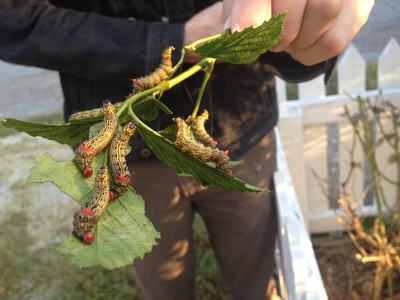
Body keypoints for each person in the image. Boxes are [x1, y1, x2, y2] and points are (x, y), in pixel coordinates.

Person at [0, 0, 373, 299]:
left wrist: (302, 33)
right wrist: (174, 38)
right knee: (162, 280)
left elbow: (285, 31)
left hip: (240, 133)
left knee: (256, 274)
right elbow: (13, 17)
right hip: (135, 159)